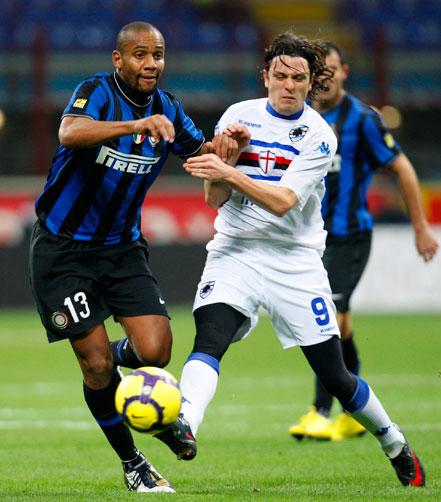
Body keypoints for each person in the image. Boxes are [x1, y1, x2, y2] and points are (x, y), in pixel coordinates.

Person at [156, 32, 426, 488]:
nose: (288, 85)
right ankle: (186, 424)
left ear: (311, 82)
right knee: (210, 336)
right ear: (265, 76)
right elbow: (214, 197)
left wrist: (226, 170)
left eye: (298, 78)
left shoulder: (319, 135)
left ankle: (394, 441)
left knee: (335, 376)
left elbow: (283, 202)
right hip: (236, 251)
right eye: (280, 76)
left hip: (294, 261)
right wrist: (227, 161)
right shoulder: (237, 116)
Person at [29, 21, 236, 494]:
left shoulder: (168, 108)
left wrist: (227, 149)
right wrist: (135, 125)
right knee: (96, 365)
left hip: (121, 249)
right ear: (118, 59)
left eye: (157, 55)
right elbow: (70, 132)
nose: (151, 64)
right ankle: (133, 463)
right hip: (63, 251)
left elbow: (200, 153)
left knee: (156, 351)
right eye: (140, 55)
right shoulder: (96, 93)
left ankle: (115, 361)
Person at [288, 42, 439, 442]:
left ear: (345, 72)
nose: (326, 78)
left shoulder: (362, 120)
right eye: (320, 71)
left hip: (349, 236)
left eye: (332, 69)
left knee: (328, 318)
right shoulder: (299, 118)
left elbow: (402, 168)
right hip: (309, 240)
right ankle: (356, 412)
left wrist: (420, 226)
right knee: (341, 325)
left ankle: (320, 411)